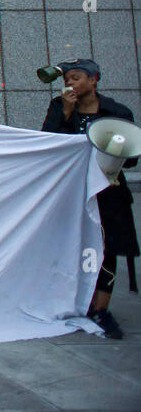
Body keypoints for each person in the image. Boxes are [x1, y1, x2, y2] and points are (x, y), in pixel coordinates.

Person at [40, 59, 137, 340]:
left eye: (77, 78)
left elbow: (131, 158)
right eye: (67, 79)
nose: (70, 83)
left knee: (108, 248)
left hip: (108, 192)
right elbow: (48, 144)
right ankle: (70, 300)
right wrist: (67, 113)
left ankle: (100, 309)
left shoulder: (116, 112)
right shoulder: (60, 107)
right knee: (72, 244)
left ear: (93, 80)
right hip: (70, 192)